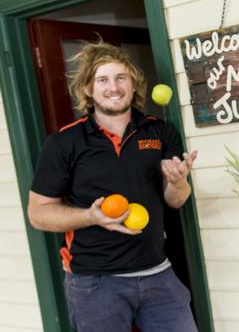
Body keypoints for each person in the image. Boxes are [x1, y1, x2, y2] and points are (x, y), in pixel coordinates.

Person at [27, 41, 199, 332]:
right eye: (102, 80)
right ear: (87, 89)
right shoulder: (64, 142)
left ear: (133, 85)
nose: (114, 87)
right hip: (95, 282)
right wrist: (91, 217)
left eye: (121, 78)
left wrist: (178, 181)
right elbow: (38, 214)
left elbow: (175, 200)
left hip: (158, 273)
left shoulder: (159, 131)